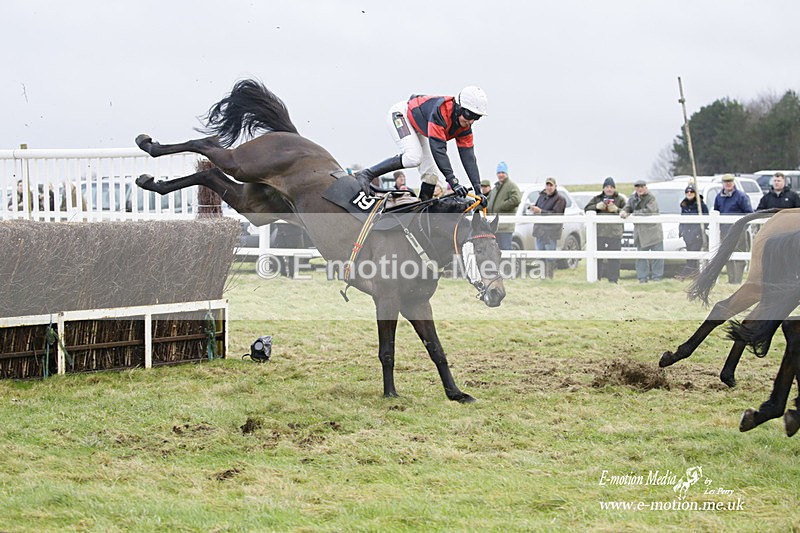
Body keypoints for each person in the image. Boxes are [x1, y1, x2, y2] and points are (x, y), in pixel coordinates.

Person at [355, 86, 489, 202]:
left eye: (476, 117)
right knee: (413, 157)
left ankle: (421, 217)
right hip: (401, 115)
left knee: (431, 177)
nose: (471, 121)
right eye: (469, 115)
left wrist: (478, 190)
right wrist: (453, 181)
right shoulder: (441, 112)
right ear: (459, 107)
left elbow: (468, 157)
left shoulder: (464, 126)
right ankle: (367, 174)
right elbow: (438, 150)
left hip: (420, 128)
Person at [620, 179, 664, 283]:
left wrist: (634, 213)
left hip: (653, 232)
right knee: (641, 257)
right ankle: (642, 278)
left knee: (657, 256)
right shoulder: (633, 198)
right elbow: (628, 207)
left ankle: (657, 278)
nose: (639, 189)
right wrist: (624, 212)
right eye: (637, 187)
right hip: (640, 233)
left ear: (645, 187)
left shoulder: (651, 198)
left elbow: (649, 211)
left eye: (641, 187)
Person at [584, 177, 626, 283]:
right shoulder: (597, 198)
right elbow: (587, 209)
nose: (609, 189)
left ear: (614, 188)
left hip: (615, 233)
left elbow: (627, 211)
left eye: (611, 187)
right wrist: (597, 207)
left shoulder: (620, 199)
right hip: (599, 232)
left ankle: (613, 280)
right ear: (603, 188)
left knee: (614, 258)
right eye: (607, 187)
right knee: (597, 258)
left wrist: (617, 209)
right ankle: (596, 277)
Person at [713, 173, 753, 283]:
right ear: (723, 184)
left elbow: (749, 213)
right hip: (725, 231)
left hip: (738, 231)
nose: (728, 184)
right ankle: (731, 279)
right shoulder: (718, 197)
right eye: (726, 182)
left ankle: (738, 280)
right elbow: (716, 212)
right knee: (727, 255)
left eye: (730, 182)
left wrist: (743, 228)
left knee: (739, 254)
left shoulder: (741, 196)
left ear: (733, 182)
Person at [529, 177, 566, 278]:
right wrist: (533, 208)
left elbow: (556, 214)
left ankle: (549, 277)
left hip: (550, 232)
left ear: (555, 186)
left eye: (551, 185)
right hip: (539, 231)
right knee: (540, 255)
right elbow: (537, 208)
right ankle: (542, 276)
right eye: (547, 185)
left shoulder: (560, 199)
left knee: (550, 256)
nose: (549, 187)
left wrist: (540, 211)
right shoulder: (541, 196)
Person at [485, 161, 521, 250]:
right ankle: (500, 264)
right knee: (496, 250)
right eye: (499, 173)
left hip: (505, 227)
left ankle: (509, 264)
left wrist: (502, 206)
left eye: (503, 173)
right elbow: (488, 201)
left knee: (506, 248)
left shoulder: (511, 186)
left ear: (506, 173)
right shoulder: (495, 188)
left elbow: (516, 200)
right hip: (495, 226)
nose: (500, 175)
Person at [677, 184, 709, 279]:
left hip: (697, 234)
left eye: (691, 192)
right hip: (687, 235)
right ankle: (695, 275)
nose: (689, 193)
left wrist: (699, 231)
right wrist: (681, 231)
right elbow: (682, 219)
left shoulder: (701, 205)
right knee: (689, 254)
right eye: (687, 192)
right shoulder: (684, 205)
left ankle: (684, 275)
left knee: (694, 255)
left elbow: (706, 220)